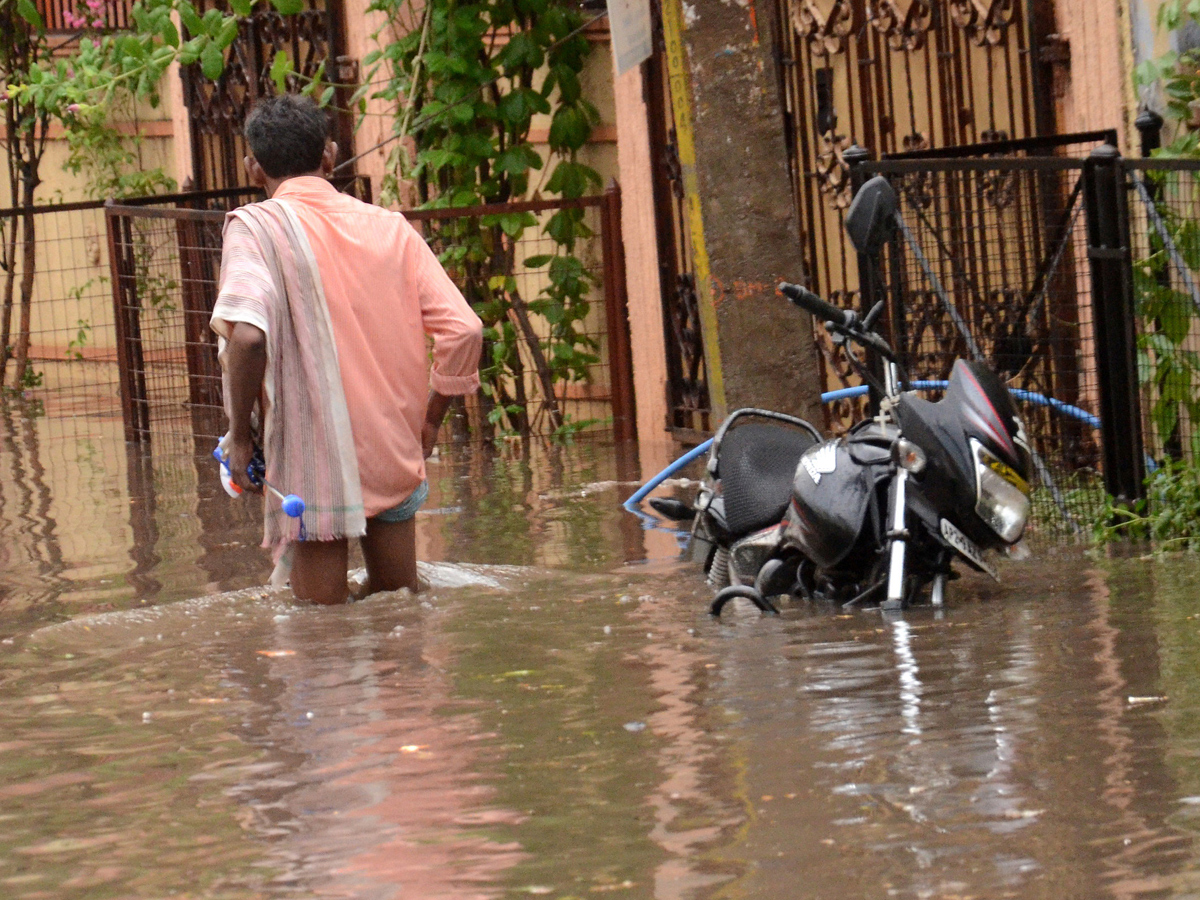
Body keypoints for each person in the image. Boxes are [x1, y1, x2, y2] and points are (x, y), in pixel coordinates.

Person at [211, 94, 483, 604]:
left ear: (253, 167)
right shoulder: (391, 228)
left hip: (314, 460)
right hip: (393, 448)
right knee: (399, 612)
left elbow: (247, 336)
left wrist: (239, 438)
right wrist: (428, 422)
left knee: (321, 633)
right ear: (330, 156)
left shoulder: (254, 227)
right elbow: (465, 330)